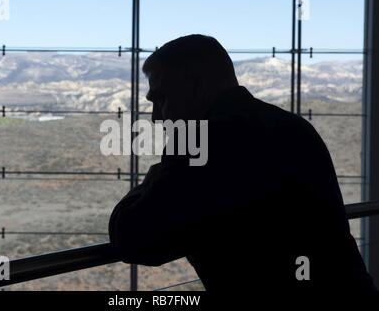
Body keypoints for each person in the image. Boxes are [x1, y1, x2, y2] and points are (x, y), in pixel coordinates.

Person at [108, 34, 376, 292]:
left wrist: (154, 179)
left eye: (162, 99)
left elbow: (133, 238)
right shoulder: (293, 127)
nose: (156, 117)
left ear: (196, 86)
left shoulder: (202, 141)